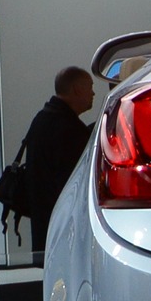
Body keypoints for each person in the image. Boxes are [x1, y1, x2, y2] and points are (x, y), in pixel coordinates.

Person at [22, 65, 96, 254]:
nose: (93, 93)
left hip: (45, 230)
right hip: (63, 234)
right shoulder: (68, 130)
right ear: (77, 90)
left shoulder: (42, 119)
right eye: (90, 87)